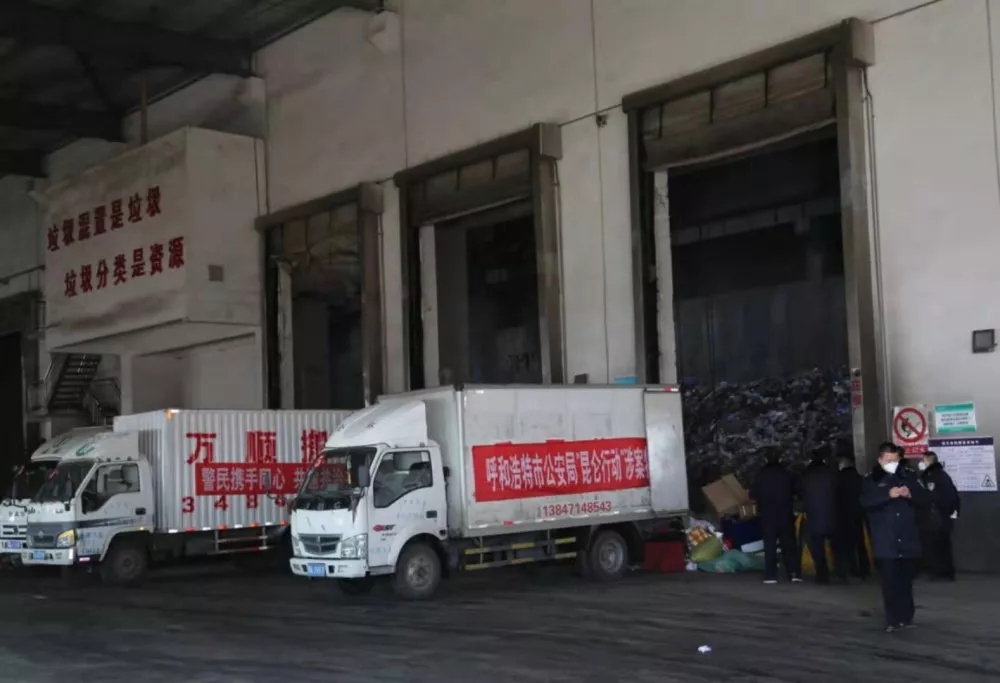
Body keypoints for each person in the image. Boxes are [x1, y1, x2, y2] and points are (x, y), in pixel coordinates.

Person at [861, 442, 927, 632]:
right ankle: (893, 619)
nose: (892, 464)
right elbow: (865, 502)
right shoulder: (871, 480)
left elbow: (925, 499)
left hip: (906, 539)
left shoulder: (908, 476)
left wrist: (910, 494)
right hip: (885, 540)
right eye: (888, 460)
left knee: (906, 581)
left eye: (895, 460)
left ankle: (907, 617)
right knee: (889, 582)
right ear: (880, 460)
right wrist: (887, 494)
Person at [750, 448, 802, 584]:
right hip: (785, 514)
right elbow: (797, 491)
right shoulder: (787, 474)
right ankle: (794, 573)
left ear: (765, 459)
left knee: (770, 545)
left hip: (767, 515)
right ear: (780, 459)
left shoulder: (760, 475)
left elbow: (753, 494)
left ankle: (771, 575)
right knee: (789, 545)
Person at [800, 448, 842, 583]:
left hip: (814, 515)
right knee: (837, 545)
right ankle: (841, 571)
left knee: (817, 546)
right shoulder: (831, 474)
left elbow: (801, 494)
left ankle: (822, 574)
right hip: (833, 514)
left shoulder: (806, 476)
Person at [917, 451, 960, 581]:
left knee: (935, 546)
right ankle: (947, 572)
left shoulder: (932, 476)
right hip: (942, 517)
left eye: (923, 460)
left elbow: (933, 497)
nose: (921, 463)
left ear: (929, 461)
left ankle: (939, 572)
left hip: (935, 517)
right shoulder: (941, 475)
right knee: (943, 545)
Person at [834, 450, 870, 579]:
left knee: (847, 544)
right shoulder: (860, 478)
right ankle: (864, 569)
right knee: (860, 543)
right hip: (858, 514)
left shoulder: (838, 479)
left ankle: (852, 569)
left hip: (843, 515)